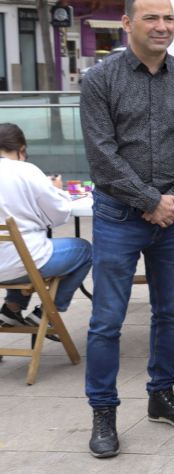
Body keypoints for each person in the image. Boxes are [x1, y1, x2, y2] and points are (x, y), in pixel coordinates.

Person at [80, 0, 174, 459]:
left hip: (173, 218)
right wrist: (149, 200)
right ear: (127, 23)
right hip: (118, 216)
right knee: (107, 320)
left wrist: (172, 202)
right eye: (151, 18)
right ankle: (103, 411)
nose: (162, 26)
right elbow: (101, 154)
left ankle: (162, 395)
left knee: (170, 313)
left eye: (168, 18)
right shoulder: (100, 80)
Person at [0, 124, 93, 329]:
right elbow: (59, 214)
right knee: (85, 250)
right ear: (21, 149)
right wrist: (56, 190)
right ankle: (48, 314)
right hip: (25, 263)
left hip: (7, 263)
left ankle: (11, 309)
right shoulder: (25, 170)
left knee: (18, 249)